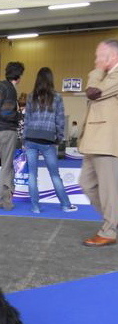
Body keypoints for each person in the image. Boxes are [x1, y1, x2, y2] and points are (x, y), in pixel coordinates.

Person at [78, 39, 118, 247]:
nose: (96, 60)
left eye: (99, 56)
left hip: (107, 140)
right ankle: (113, 221)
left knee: (108, 191)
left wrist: (96, 70)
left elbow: (94, 92)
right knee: (86, 184)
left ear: (112, 57)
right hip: (93, 141)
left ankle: (110, 230)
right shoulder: (106, 76)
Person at [23, 67, 78, 214]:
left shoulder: (30, 96)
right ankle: (65, 205)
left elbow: (26, 120)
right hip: (48, 140)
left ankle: (35, 207)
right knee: (54, 174)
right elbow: (60, 120)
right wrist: (59, 138)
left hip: (30, 138)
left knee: (32, 175)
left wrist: (24, 139)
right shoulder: (57, 97)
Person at [0, 61, 25, 211]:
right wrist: (19, 116)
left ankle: (4, 200)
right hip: (6, 132)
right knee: (6, 167)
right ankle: (0, 201)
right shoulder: (11, 90)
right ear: (18, 76)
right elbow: (6, 112)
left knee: (7, 166)